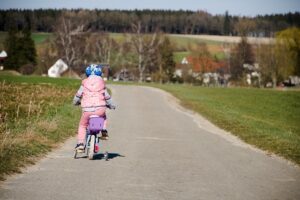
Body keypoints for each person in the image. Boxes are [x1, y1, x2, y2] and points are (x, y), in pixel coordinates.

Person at [73, 64, 115, 151]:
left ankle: (80, 143)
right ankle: (103, 130)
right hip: (100, 108)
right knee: (103, 117)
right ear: (100, 74)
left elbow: (78, 96)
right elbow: (107, 97)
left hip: (87, 109)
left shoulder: (84, 84)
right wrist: (112, 105)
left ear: (87, 74)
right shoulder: (102, 84)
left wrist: (75, 102)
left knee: (83, 125)